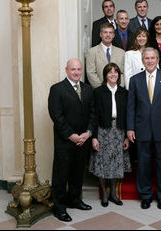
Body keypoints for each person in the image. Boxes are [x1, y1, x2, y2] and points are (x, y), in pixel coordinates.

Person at [126, 47, 161, 210]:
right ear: (143, 60)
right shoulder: (135, 80)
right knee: (143, 164)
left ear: (158, 59)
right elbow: (131, 107)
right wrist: (130, 128)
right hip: (142, 128)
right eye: (147, 58)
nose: (150, 61)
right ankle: (146, 195)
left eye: (153, 58)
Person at [48, 59, 96, 222]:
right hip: (65, 141)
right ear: (66, 70)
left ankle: (75, 200)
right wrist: (71, 135)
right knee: (61, 175)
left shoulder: (88, 89)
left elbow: (92, 114)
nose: (76, 72)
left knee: (77, 173)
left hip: (83, 140)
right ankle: (59, 207)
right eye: (73, 69)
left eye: (79, 69)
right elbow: (57, 116)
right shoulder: (57, 89)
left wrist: (88, 133)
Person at [89, 63, 131, 207]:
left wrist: (126, 136)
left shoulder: (124, 92)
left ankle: (113, 193)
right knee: (102, 162)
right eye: (110, 72)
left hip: (118, 131)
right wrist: (94, 136)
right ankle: (105, 195)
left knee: (115, 163)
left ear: (119, 75)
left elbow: (127, 115)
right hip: (103, 130)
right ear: (105, 75)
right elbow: (93, 115)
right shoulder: (98, 92)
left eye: (115, 72)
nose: (113, 74)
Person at [86, 23, 125, 88]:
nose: (108, 35)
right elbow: (91, 73)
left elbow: (123, 73)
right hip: (99, 91)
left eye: (110, 32)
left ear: (113, 35)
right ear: (101, 34)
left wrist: (119, 87)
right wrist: (101, 88)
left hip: (117, 91)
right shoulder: (92, 52)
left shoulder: (121, 52)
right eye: (105, 32)